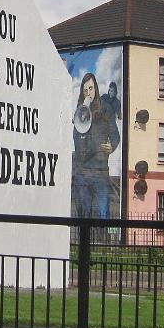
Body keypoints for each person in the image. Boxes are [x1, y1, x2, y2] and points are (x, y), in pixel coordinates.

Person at [71, 72, 120, 222]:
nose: (88, 93)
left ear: (96, 89)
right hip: (82, 172)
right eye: (85, 90)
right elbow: (76, 137)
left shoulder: (106, 109)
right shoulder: (80, 111)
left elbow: (115, 135)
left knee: (103, 214)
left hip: (100, 171)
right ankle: (82, 245)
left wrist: (112, 147)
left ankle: (102, 246)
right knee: (82, 217)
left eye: (91, 89)